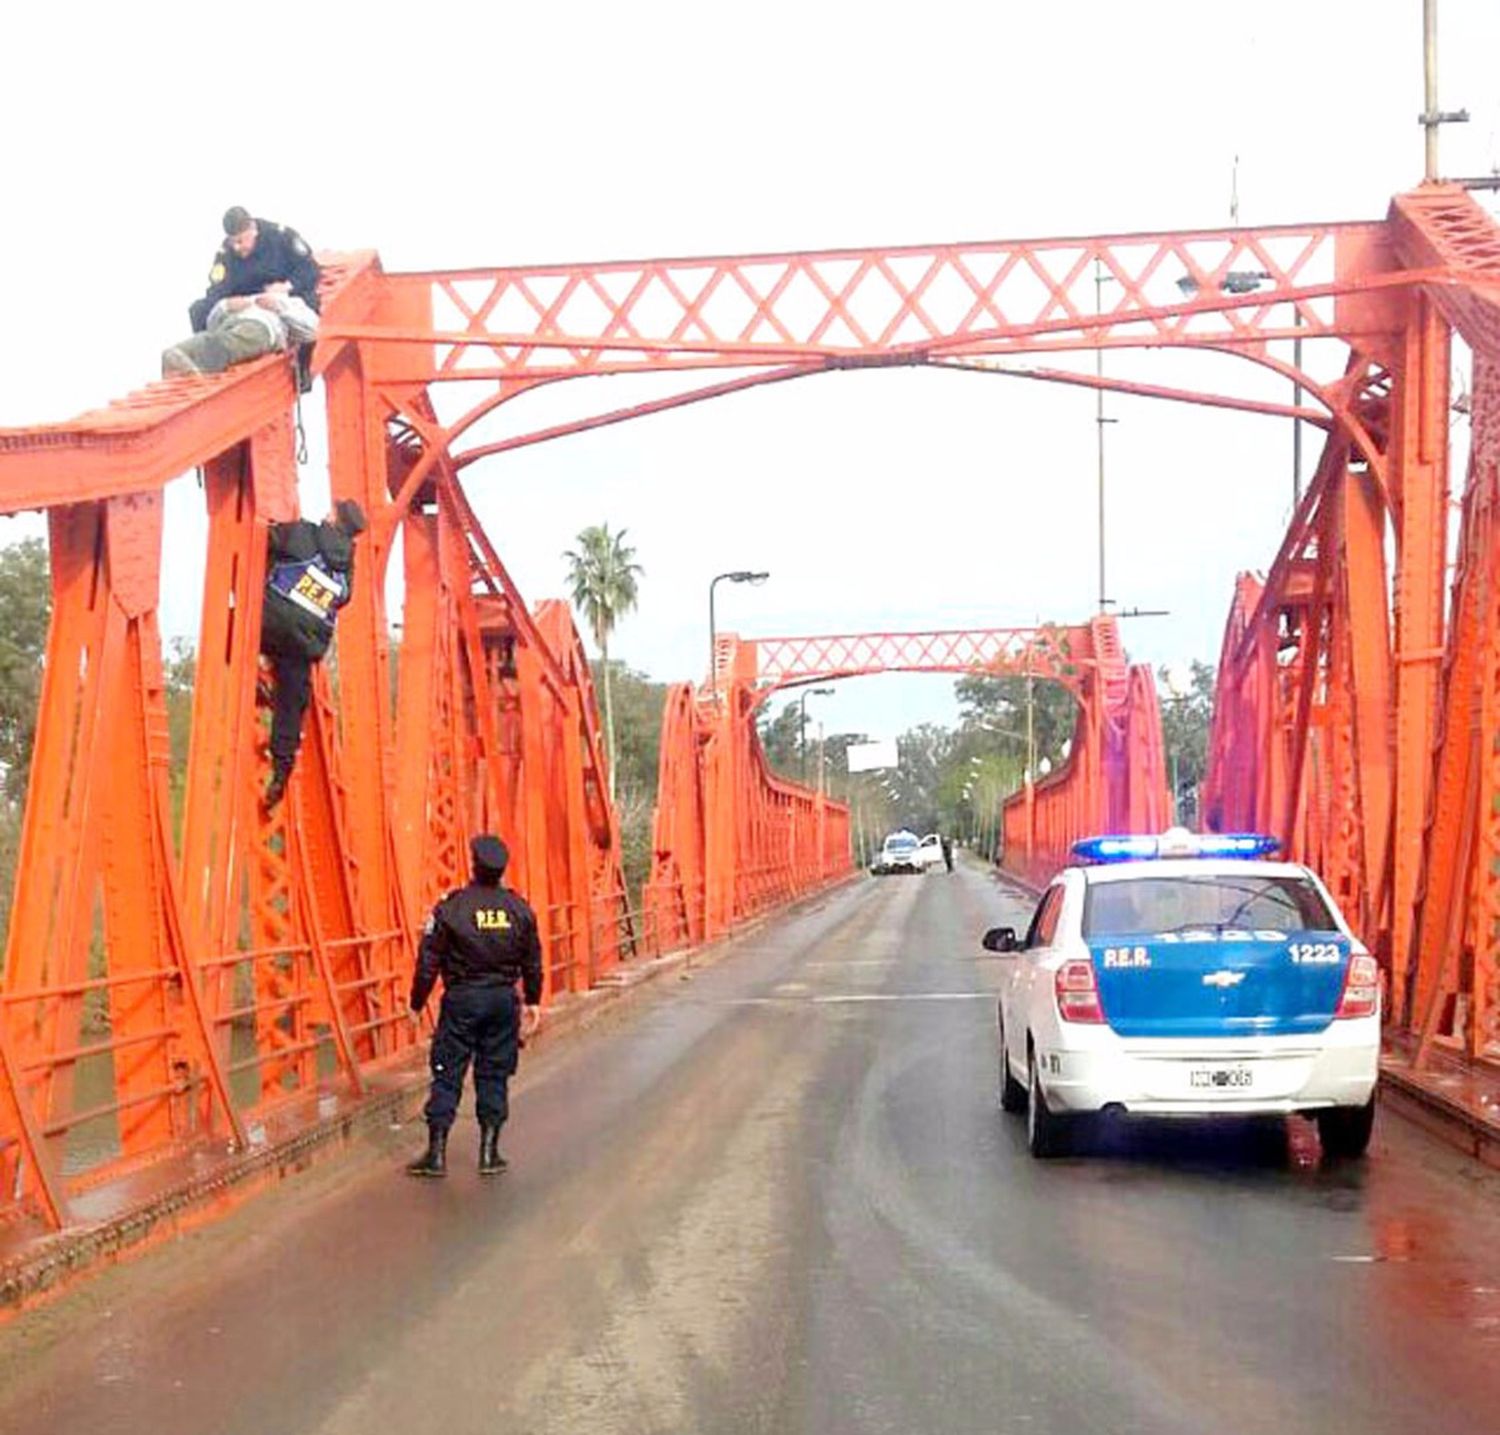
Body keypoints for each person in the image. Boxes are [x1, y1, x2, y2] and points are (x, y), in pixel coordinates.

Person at [406, 835, 544, 1178]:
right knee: (494, 1072)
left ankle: (436, 1155)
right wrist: (533, 1000)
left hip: (463, 999)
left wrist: (416, 1001)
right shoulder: (519, 909)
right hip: (501, 1001)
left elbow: (428, 961)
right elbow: (533, 961)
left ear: (474, 864)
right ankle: (489, 1153)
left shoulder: (451, 907)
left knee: (447, 1071)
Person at [259, 499, 367, 809]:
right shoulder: (347, 570)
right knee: (293, 701)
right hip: (304, 643)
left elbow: (270, 538)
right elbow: (343, 600)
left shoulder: (305, 534)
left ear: (334, 517)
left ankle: (253, 681)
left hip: (271, 622)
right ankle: (282, 765)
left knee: (234, 625)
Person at [189, 207, 321, 333]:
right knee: (198, 309)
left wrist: (288, 286)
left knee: (309, 302)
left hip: (283, 296)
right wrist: (226, 303)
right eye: (232, 242)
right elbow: (217, 287)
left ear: (253, 230)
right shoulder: (225, 253)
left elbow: (309, 268)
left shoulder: (280, 236)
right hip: (246, 303)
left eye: (240, 241)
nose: (236, 247)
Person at [162, 285, 318, 377]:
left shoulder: (294, 304)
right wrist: (224, 307)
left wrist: (279, 309)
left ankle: (197, 368)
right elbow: (212, 325)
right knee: (212, 338)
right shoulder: (250, 297)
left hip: (263, 328)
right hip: (230, 325)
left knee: (231, 342)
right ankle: (180, 358)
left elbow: (311, 332)